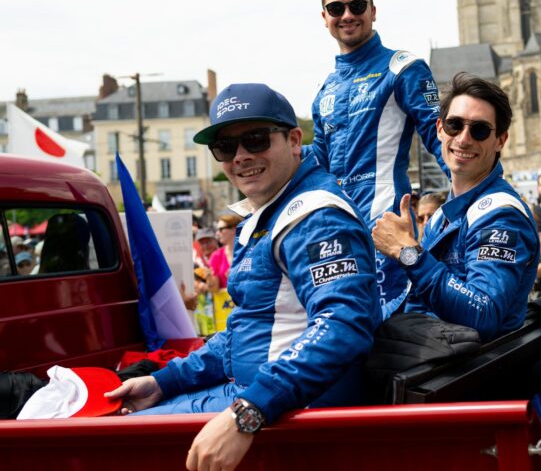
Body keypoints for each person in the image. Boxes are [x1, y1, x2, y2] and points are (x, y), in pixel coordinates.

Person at [107, 83, 381, 471]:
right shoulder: (269, 212)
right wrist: (163, 382)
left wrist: (249, 411)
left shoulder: (315, 216)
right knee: (116, 423)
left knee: (112, 448)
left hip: (294, 412)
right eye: (225, 147)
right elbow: (240, 335)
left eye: (255, 140)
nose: (241, 157)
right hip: (261, 396)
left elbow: (344, 326)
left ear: (293, 140)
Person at [312, 0, 446, 319]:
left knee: (392, 336)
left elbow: (442, 139)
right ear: (324, 17)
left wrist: (479, 201)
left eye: (357, 6)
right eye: (337, 8)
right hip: (338, 231)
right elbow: (318, 169)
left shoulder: (402, 68)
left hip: (386, 228)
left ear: (373, 10)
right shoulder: (325, 91)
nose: (347, 15)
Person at [371, 73, 539, 341]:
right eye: (454, 125)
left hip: (480, 371)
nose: (463, 139)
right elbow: (420, 305)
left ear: (500, 141)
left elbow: (482, 313)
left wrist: (407, 253)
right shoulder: (440, 217)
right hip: (437, 360)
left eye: (480, 130)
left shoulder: (501, 214)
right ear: (439, 129)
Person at [207, 214, 242, 291]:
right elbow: (214, 289)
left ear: (234, 229)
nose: (217, 233)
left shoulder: (248, 252)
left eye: (221, 229)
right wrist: (208, 277)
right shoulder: (216, 255)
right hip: (225, 302)